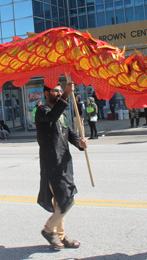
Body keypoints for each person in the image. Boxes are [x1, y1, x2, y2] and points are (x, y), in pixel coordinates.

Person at [36, 82, 88, 249]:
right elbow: (52, 117)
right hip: (52, 164)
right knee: (66, 201)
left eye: (60, 90)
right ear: (46, 93)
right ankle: (48, 229)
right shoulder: (42, 111)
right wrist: (66, 94)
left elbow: (70, 134)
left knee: (62, 201)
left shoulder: (62, 115)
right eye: (55, 91)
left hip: (64, 163)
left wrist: (79, 143)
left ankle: (61, 236)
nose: (58, 93)